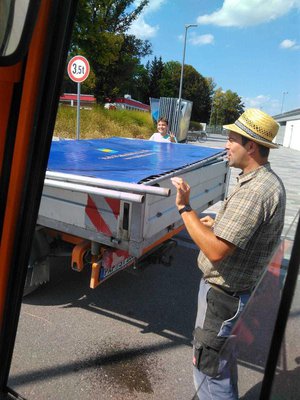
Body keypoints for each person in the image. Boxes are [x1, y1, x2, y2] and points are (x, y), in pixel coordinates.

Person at [171, 108, 286, 400]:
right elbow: (237, 233)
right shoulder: (262, 181)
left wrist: (185, 208)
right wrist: (216, 223)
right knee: (221, 361)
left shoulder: (254, 191)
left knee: (208, 369)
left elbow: (216, 250)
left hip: (223, 296)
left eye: (232, 139)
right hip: (233, 297)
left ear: (250, 146)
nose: (225, 144)